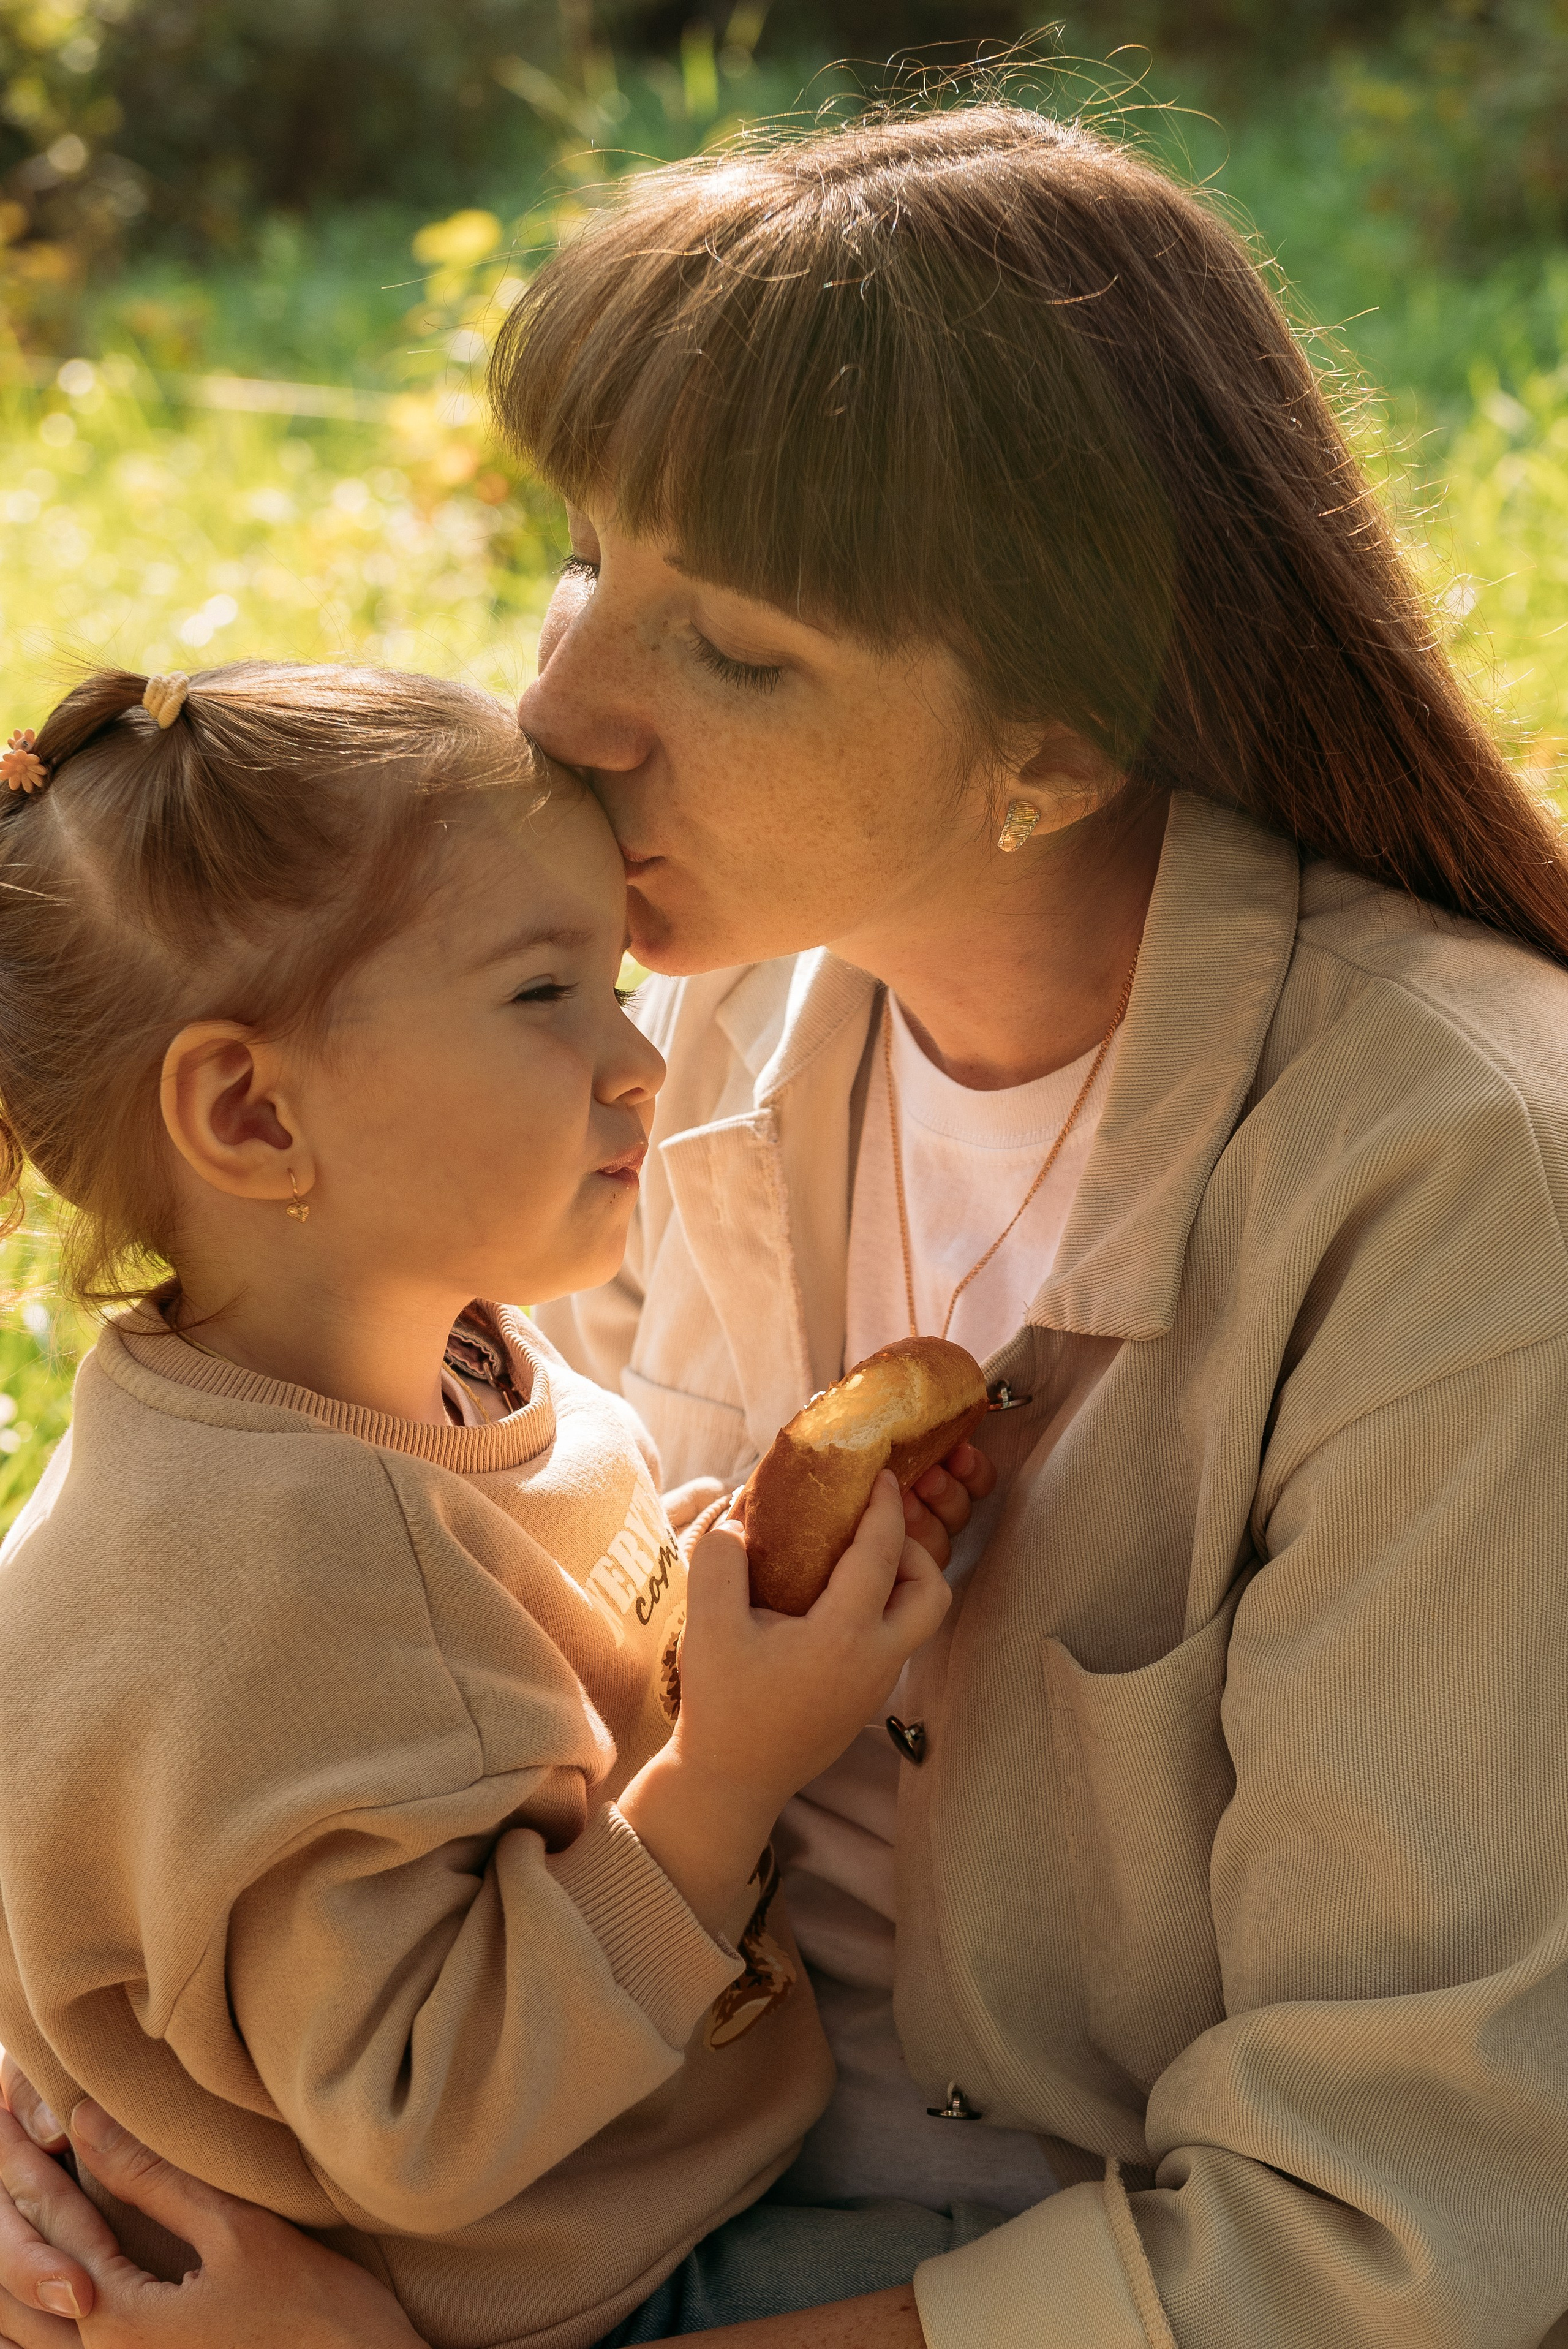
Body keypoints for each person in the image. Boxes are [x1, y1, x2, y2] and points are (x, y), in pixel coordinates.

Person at [6, 86, 1568, 2349]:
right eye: (583, 553)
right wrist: (66, 2108)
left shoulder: (1456, 1186)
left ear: (1048, 746)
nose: (559, 700)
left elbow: (1398, 2225)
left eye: (728, 644)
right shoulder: (670, 1032)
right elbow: (261, 1662)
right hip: (543, 2183)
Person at [0, 660, 982, 2349]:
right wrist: (725, 1773)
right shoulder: (286, 1583)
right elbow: (427, 2112)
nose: (639, 1061)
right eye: (544, 996)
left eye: (611, 979)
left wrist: (715, 1576)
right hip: (518, 2289)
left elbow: (520, 1649)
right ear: (253, 1112)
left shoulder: (420, 1355)